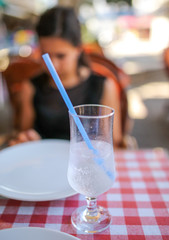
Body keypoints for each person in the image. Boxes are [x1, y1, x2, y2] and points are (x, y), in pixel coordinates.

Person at [8, 6, 125, 148]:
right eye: (46, 54)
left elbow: (115, 142)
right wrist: (27, 139)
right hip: (45, 161)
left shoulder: (104, 86)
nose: (53, 65)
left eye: (61, 56)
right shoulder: (30, 87)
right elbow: (24, 134)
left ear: (78, 50)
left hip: (87, 164)